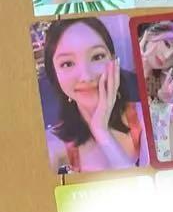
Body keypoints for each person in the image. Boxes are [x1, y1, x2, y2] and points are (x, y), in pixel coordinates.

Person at [41, 18, 144, 174]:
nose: (86, 77)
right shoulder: (51, 143)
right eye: (67, 63)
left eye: (97, 57)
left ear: (114, 61)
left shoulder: (146, 117)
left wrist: (101, 130)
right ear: (55, 75)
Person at [138, 21, 173, 104]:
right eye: (167, 44)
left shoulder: (163, 83)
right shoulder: (126, 49)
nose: (166, 56)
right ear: (151, 35)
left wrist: (161, 99)